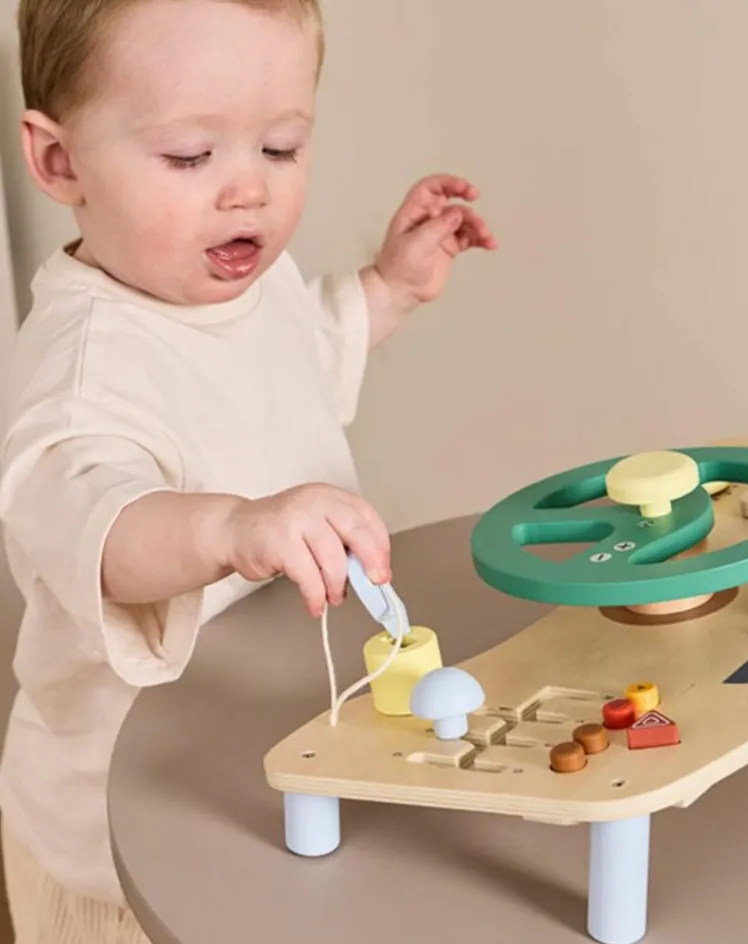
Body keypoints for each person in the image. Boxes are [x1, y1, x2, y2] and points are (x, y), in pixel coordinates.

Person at [0, 0, 497, 939]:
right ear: (60, 162)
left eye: (280, 148)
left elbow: (302, 352)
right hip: (119, 843)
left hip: (247, 766)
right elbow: (101, 532)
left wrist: (388, 288)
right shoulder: (85, 369)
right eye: (191, 156)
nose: (248, 192)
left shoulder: (246, 282)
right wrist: (230, 527)